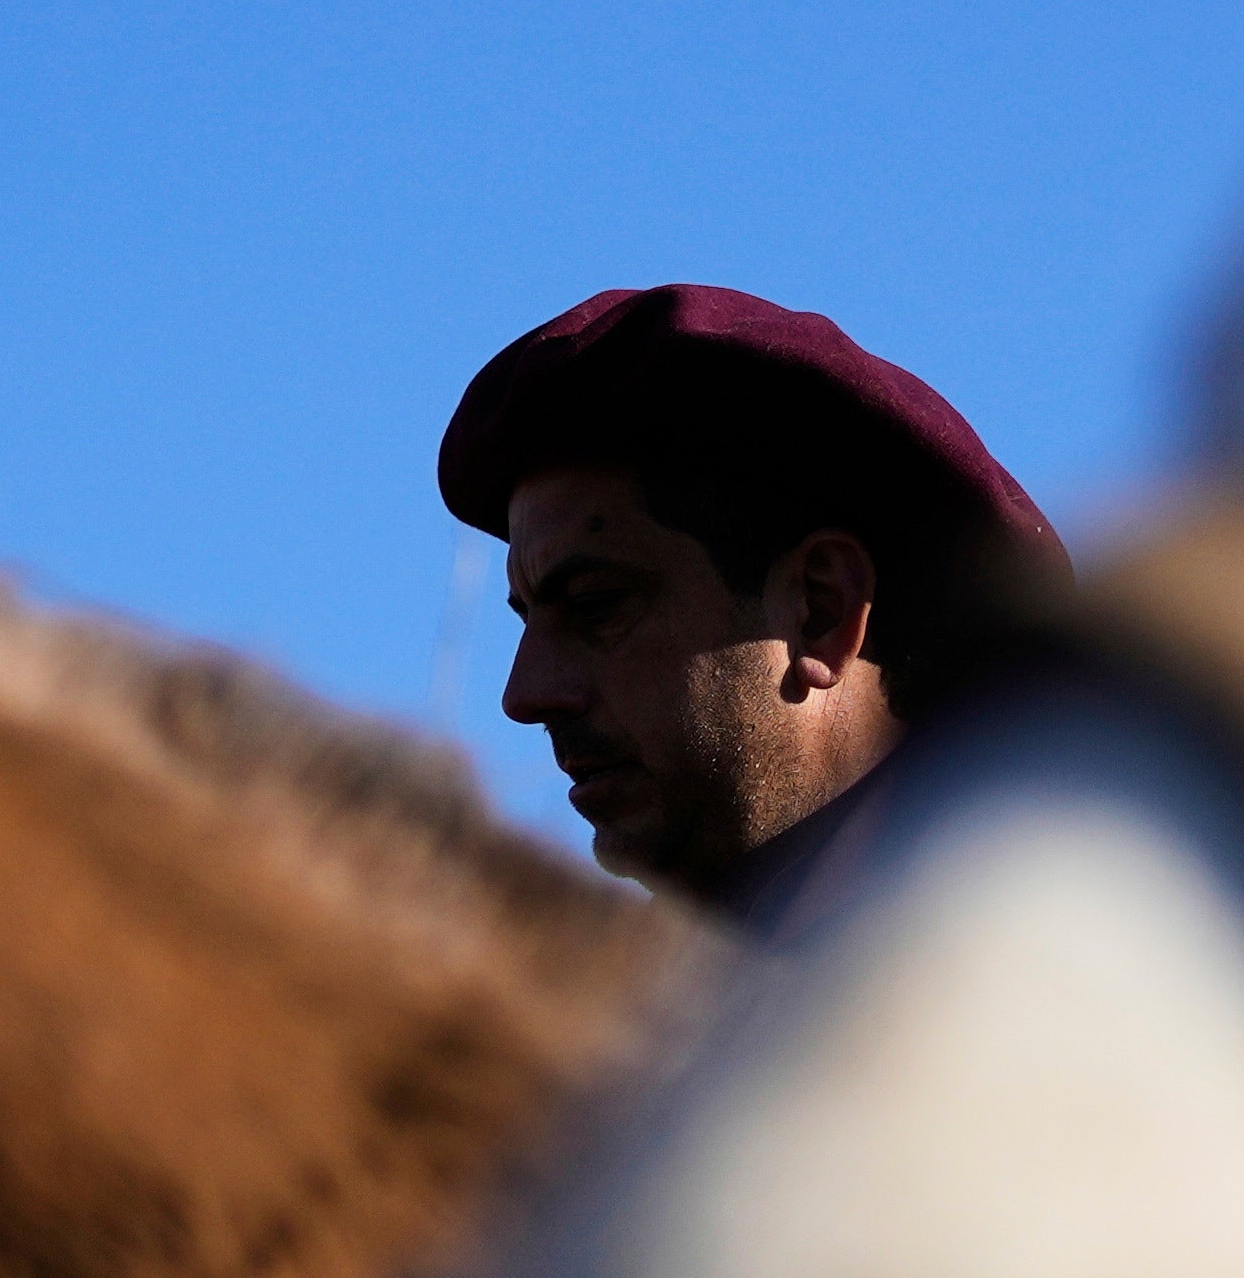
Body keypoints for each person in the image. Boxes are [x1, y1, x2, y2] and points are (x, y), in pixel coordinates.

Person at [438, 281, 1065, 923]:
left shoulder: (1042, 976)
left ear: (821, 611)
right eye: (526, 620)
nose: (524, 695)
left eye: (596, 605)